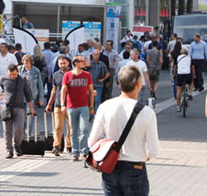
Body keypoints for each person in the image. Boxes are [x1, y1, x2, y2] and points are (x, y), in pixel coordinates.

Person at [87, 65, 160, 196]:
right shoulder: (147, 112)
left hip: (110, 167)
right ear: (138, 84)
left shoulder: (105, 106)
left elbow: (92, 142)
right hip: (135, 166)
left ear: (119, 84)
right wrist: (146, 156)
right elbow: (153, 150)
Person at [60, 56, 95, 162]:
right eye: (82, 61)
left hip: (84, 106)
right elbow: (63, 91)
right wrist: (63, 105)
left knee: (84, 129)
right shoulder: (68, 75)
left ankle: (84, 152)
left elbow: (91, 91)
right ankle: (75, 152)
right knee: (73, 131)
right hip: (71, 107)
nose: (84, 63)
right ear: (76, 63)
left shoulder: (87, 75)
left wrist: (91, 106)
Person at [0, 63, 35, 159]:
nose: (12, 76)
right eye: (10, 75)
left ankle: (17, 144)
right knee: (7, 130)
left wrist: (31, 108)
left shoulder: (22, 79)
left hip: (19, 107)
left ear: (17, 72)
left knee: (20, 127)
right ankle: (9, 150)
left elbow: (28, 94)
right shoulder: (3, 79)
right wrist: (2, 101)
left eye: (14, 75)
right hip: (6, 108)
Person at [46, 56, 73, 155]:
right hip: (58, 104)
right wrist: (49, 104)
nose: (62, 65)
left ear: (68, 63)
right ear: (58, 64)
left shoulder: (72, 74)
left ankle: (69, 146)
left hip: (70, 104)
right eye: (60, 63)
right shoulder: (56, 75)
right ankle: (56, 146)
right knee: (57, 126)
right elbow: (54, 90)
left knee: (70, 127)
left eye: (64, 63)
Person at [21, 55, 43, 136]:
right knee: (22, 116)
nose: (26, 65)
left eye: (28, 63)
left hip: (31, 96)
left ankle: (28, 133)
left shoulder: (36, 71)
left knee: (30, 114)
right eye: (25, 63)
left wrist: (41, 98)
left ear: (31, 62)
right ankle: (22, 133)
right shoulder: (20, 69)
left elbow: (40, 85)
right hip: (21, 96)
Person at [173, 46, 194, 112]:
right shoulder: (189, 58)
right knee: (191, 82)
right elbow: (192, 67)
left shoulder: (178, 58)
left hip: (180, 74)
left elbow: (175, 67)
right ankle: (190, 93)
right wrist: (194, 74)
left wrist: (174, 74)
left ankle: (178, 106)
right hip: (187, 73)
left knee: (179, 90)